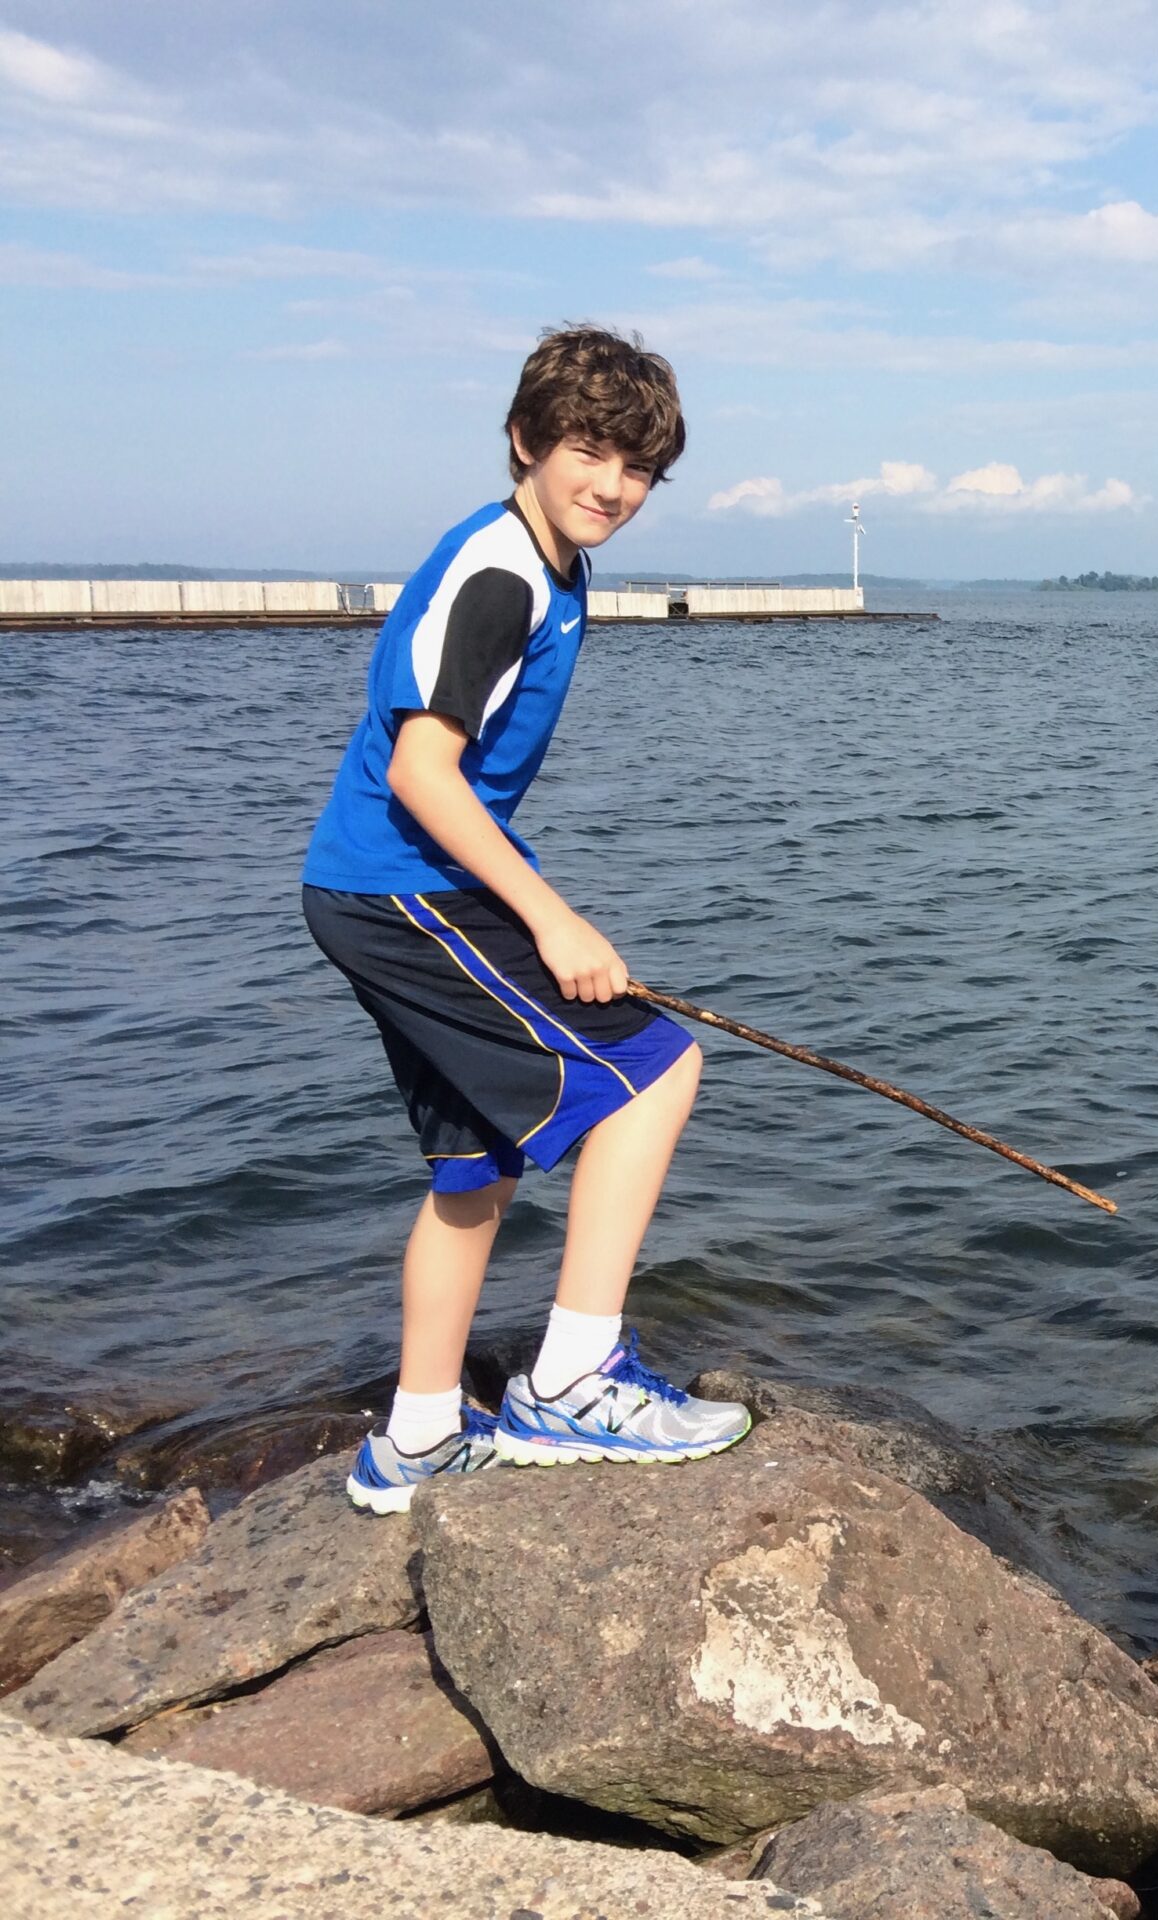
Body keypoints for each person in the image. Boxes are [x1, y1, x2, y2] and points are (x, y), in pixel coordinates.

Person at [302, 325, 750, 1514]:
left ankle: (419, 1437)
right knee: (658, 1069)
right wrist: (552, 920)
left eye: (639, 468)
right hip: (402, 891)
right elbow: (422, 773)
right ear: (525, 439)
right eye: (589, 452)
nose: (613, 486)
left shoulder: (554, 561)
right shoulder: (498, 572)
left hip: (388, 890)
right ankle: (572, 1383)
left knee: (475, 1168)